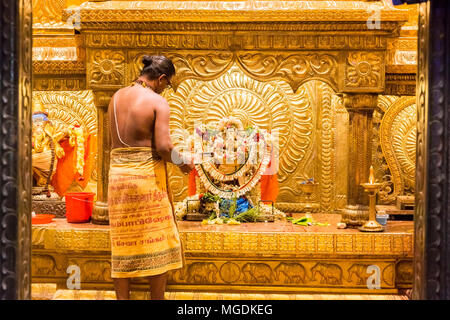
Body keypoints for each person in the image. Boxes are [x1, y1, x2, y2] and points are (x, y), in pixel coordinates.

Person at [107, 55, 193, 300]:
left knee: (122, 243)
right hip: (145, 179)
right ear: (161, 78)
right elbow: (165, 148)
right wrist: (183, 163)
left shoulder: (116, 97)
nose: (165, 89)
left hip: (118, 178)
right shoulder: (157, 101)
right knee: (159, 242)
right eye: (167, 85)